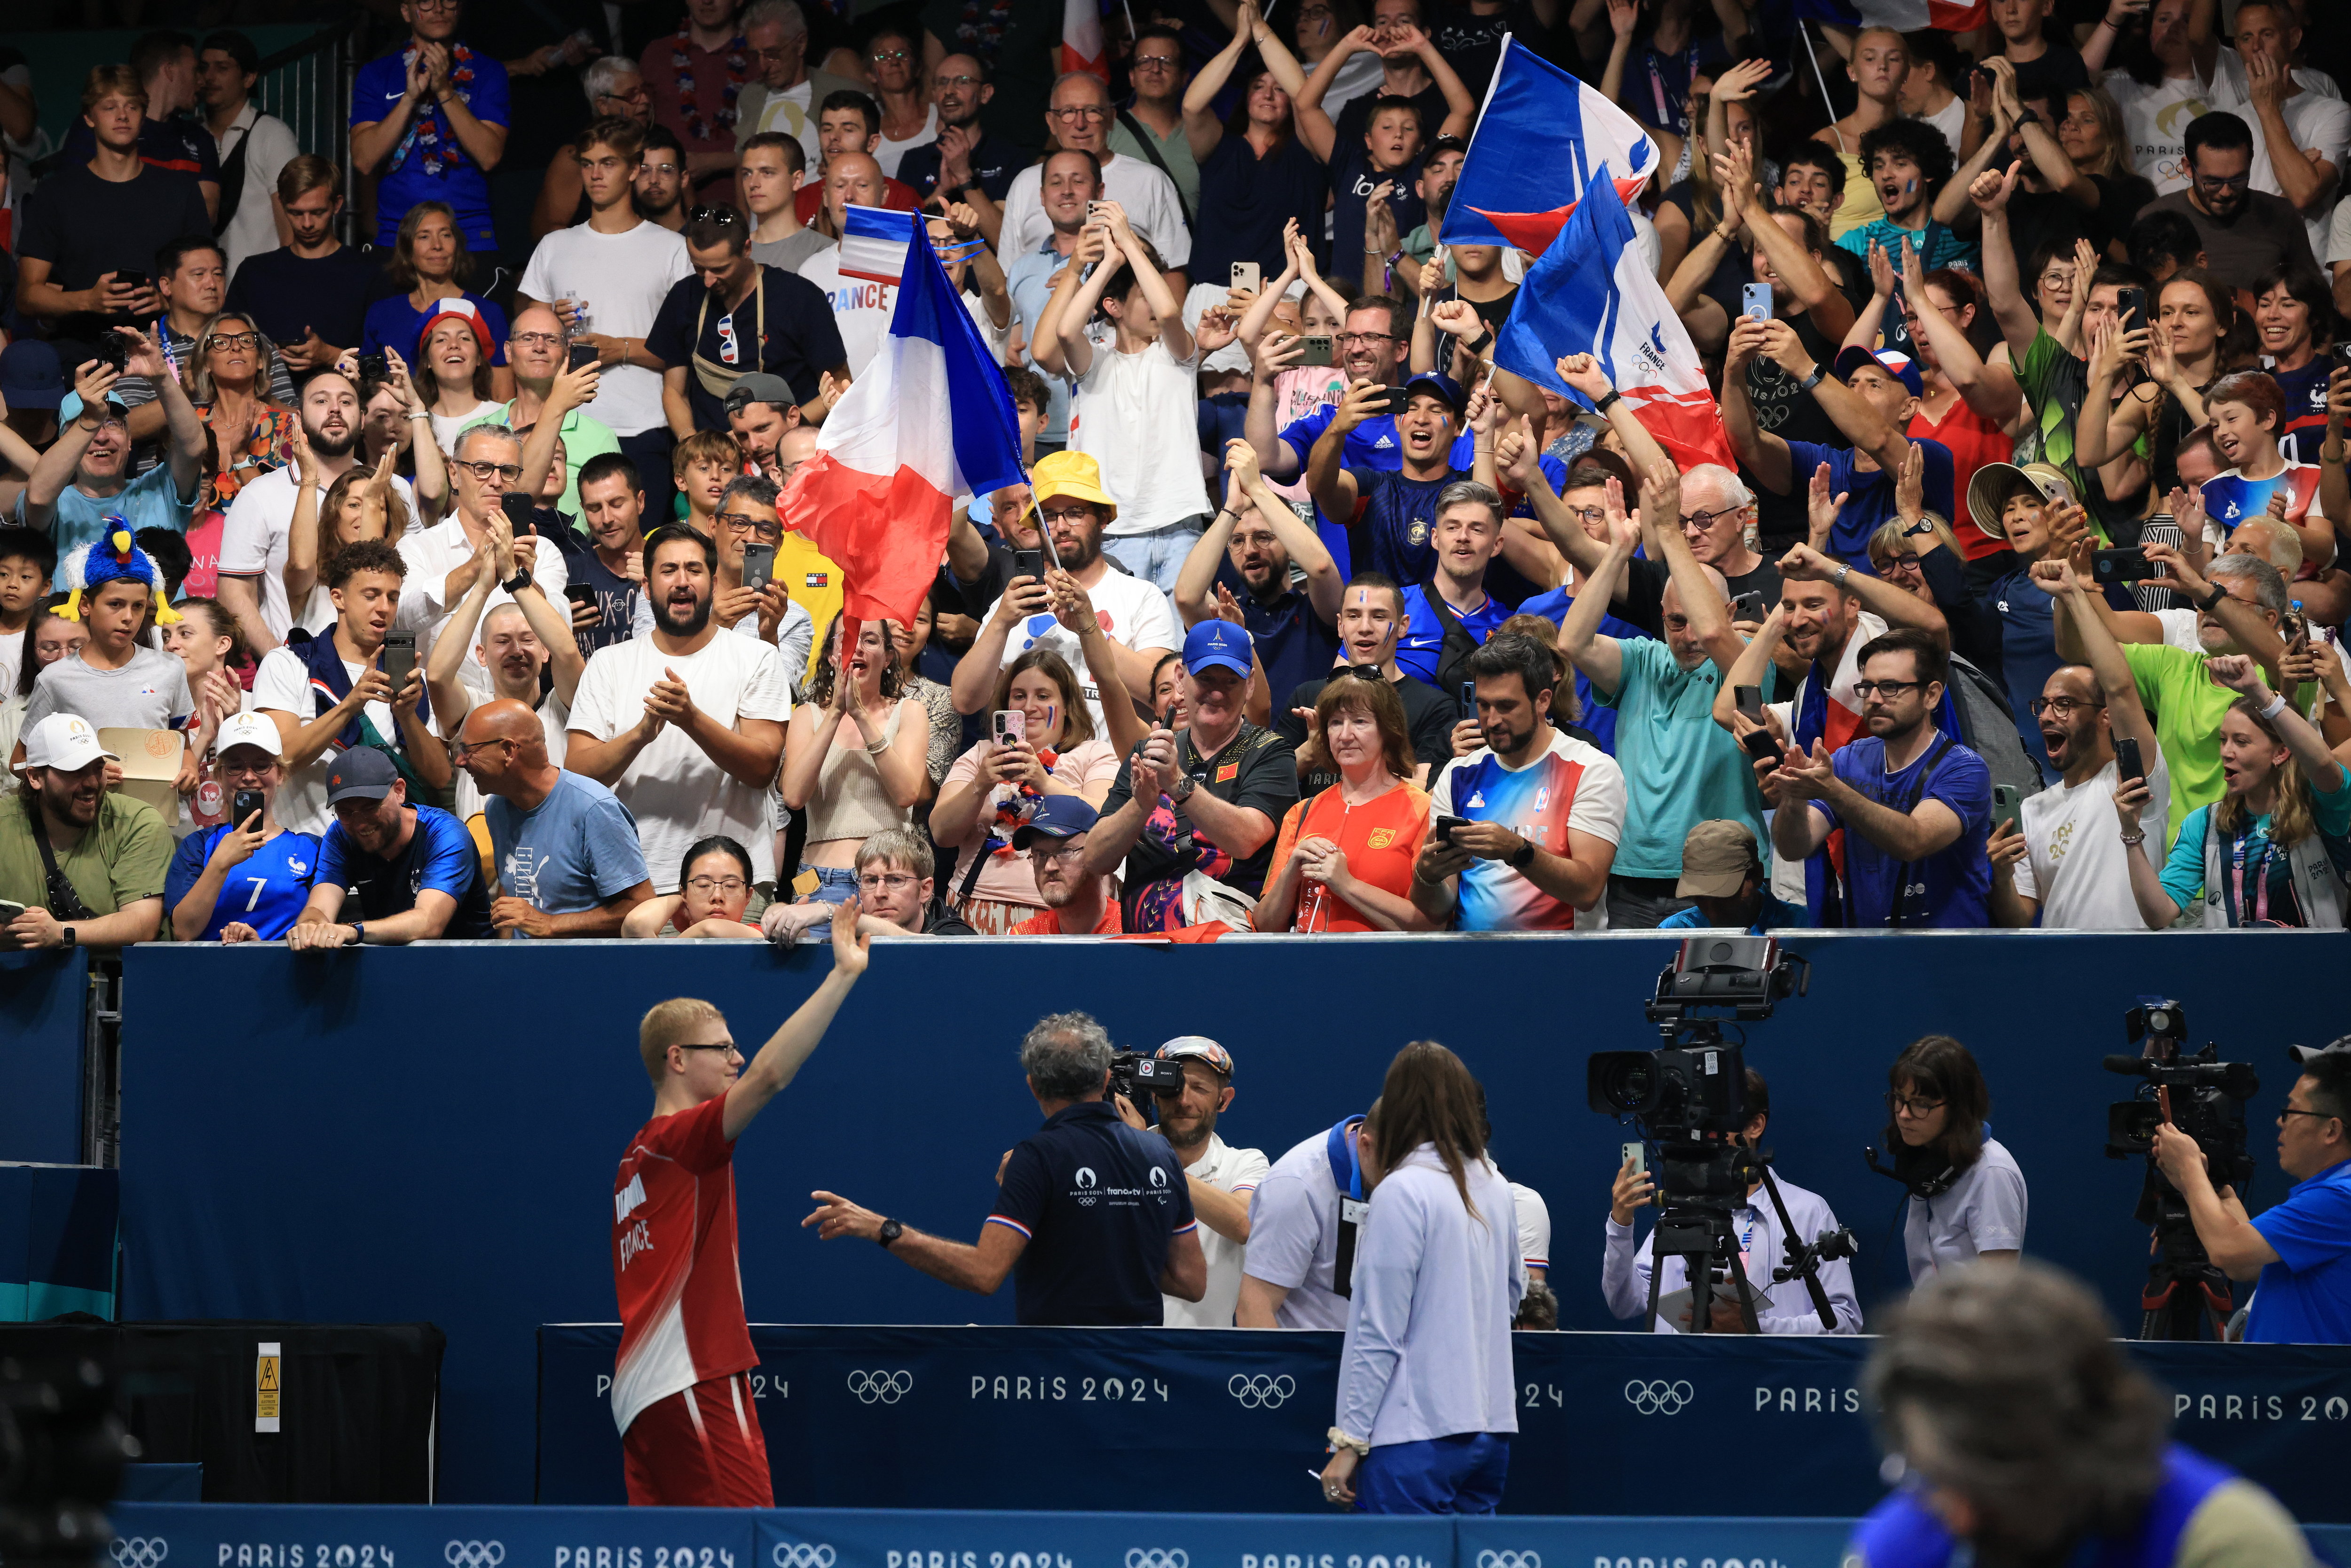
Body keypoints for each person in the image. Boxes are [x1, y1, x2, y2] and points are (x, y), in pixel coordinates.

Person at [612, 900, 870, 1506]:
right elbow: (769, 1079)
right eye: (722, 1047)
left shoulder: (635, 1157)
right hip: (688, 1374)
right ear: (677, 1058)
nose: (737, 1057)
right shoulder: (680, 1142)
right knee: (742, 1540)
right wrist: (843, 974)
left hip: (644, 1387)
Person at [1847, 1263, 2314, 1567]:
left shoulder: (2222, 1543)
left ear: (2088, 1438)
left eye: (1989, 1477)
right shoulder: (1895, 1546)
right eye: (1934, 1473)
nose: (1961, 1516)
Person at [802, 1011, 1207, 1324]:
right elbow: (1192, 1281)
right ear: (1105, 1080)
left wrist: (882, 1228)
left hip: (1057, 1378)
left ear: (1033, 1085)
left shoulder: (1035, 1158)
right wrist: (1108, 1260)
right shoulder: (1160, 1153)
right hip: (1145, 1378)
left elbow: (984, 1273)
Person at [1557, 465, 1765, 929]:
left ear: (1729, 612)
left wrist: (1669, 530)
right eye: (1675, 621)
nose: (1688, 635)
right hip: (1633, 875)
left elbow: (1713, 631)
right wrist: (1617, 553)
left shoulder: (1748, 658)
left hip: (1725, 876)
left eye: (1696, 618)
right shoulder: (1641, 659)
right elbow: (1571, 643)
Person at [1319, 1041, 1519, 1515]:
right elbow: (1511, 1297)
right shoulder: (1496, 1186)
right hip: (1489, 1435)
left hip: (1412, 1438)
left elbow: (1377, 1329)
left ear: (1400, 1104)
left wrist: (1348, 1441)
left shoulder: (1401, 1190)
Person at [567, 526, 792, 897]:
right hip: (632, 882)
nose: (682, 581)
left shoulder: (757, 657)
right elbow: (577, 774)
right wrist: (640, 735)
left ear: (715, 583)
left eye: (694, 570)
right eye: (669, 570)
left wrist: (692, 719)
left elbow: (764, 767)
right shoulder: (609, 663)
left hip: (732, 886)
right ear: (646, 586)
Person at [1036, 200, 1214, 593]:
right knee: (1118, 648)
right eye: (1142, 295)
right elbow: (1065, 333)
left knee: (1177, 651)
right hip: (1114, 529)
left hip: (1179, 524)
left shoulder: (1176, 354)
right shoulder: (1095, 361)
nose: (1154, 301)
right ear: (1113, 307)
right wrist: (1108, 265)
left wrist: (1129, 243)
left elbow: (1169, 312)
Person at [1603, 1067, 1861, 1334]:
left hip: (1766, 1374)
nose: (1705, 1134)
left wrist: (1758, 1328)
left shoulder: (1806, 1211)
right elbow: (1624, 1303)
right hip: (1681, 1374)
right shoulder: (1681, 1210)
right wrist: (1621, 1227)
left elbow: (1845, 1322)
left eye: (1718, 1122)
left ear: (1755, 1126)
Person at [1766, 628, 1995, 927]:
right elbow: (1794, 847)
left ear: (1932, 695)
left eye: (1890, 687)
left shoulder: (1964, 768)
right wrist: (1795, 795)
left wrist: (1833, 790)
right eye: (1867, 687)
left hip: (1946, 954)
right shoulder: (1850, 759)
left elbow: (1915, 841)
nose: (1873, 699)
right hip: (1869, 949)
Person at [1990, 559, 2174, 930]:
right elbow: (2020, 919)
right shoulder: (2033, 808)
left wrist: (2074, 594)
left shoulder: (2133, 782)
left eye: (2064, 704)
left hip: (2136, 973)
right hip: (2062, 977)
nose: (2045, 716)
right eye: (2043, 706)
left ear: (2105, 715)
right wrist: (1999, 879)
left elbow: (2121, 688)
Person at [515, 116, 690, 506]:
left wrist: (622, 348)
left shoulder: (671, 248)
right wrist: (554, 330)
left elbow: (690, 345)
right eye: (587, 163)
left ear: (633, 170)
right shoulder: (555, 246)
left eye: (608, 163)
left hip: (644, 425)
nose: (595, 174)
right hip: (568, 425)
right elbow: (530, 346)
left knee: (637, 555)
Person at [1084, 622, 1300, 928]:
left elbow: (1247, 839)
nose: (1216, 691)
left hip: (1228, 952)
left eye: (1230, 680)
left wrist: (1177, 783)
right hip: (1145, 955)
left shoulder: (1269, 752)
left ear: (1250, 684)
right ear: (1182, 679)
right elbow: (1095, 859)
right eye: (1206, 678)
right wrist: (1141, 805)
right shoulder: (1147, 752)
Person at [951, 453, 1181, 733]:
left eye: (1074, 513)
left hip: (1112, 770)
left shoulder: (1141, 596)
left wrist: (1090, 628)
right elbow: (965, 701)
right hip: (1025, 768)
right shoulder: (1015, 602)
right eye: (1048, 515)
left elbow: (1161, 695)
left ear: (1103, 518)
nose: (1060, 527)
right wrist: (1000, 624)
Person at [1412, 631, 1626, 931]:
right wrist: (1427, 877)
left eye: (1506, 706)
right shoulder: (1458, 773)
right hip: (1472, 963)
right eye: (1483, 705)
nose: (1492, 720)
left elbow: (1587, 891)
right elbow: (1436, 910)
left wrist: (1516, 850)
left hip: (1562, 963)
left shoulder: (1591, 769)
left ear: (1543, 701)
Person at [2122, 653, 2351, 926]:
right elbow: (2158, 914)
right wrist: (2131, 833)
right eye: (2223, 740)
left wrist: (2260, 692)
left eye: (2241, 742)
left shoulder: (2321, 806)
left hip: (2316, 967)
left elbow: (2324, 762)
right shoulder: (2204, 825)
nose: (2226, 753)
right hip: (2233, 968)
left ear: (2281, 752)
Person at [2152, 1040, 2351, 1344]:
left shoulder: (2341, 1197)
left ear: (2332, 1130)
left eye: (2292, 1110)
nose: (2280, 1121)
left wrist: (2190, 1168)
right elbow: (2253, 1262)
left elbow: (2229, 1251)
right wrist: (2210, 1190)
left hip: (2308, 1390)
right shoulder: (2333, 1193)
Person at [219, 370, 427, 654]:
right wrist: (281, 663)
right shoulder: (259, 494)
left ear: (363, 417)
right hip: (296, 666)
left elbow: (414, 574)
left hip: (378, 664)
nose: (335, 410)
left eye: (346, 402)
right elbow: (234, 594)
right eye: (320, 401)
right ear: (298, 419)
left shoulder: (396, 488)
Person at [251, 538, 448, 836]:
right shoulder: (289, 663)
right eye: (371, 595)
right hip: (307, 844)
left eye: (393, 598)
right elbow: (281, 758)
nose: (384, 608)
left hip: (385, 848)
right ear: (338, 598)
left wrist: (407, 717)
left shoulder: (405, 674)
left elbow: (440, 776)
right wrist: (349, 707)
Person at [15, 67, 211, 347]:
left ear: (144, 116)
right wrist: (87, 300)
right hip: (84, 349)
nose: (122, 115)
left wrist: (168, 298)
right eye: (110, 107)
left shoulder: (181, 190)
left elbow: (207, 277)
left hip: (163, 349)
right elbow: (27, 295)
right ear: (89, 117)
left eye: (133, 106)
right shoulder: (56, 194)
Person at [931, 649, 1120, 933]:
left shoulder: (1094, 754)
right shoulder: (981, 754)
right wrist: (980, 785)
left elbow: (1110, 825)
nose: (1028, 706)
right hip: (975, 906)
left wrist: (1044, 783)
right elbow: (942, 833)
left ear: (1068, 706)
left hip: (1065, 914)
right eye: (1019, 695)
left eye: (1043, 696)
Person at [456, 697, 653, 939]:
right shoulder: (497, 807)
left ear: (508, 751)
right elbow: (512, 895)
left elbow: (643, 909)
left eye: (469, 750)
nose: (460, 761)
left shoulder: (594, 809)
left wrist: (551, 924)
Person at [16, 536, 203, 789]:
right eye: (115, 604)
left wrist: (190, 768)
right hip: (85, 820)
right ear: (85, 605)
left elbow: (183, 747)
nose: (128, 617)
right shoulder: (55, 679)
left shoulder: (169, 668)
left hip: (153, 817)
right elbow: (20, 762)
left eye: (138, 606)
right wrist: (82, 772)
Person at [1254, 672, 1434, 932]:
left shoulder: (1422, 810)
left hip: (1385, 968)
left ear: (1388, 730)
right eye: (1336, 723)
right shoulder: (1302, 812)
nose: (1345, 735)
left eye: (1360, 721)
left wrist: (1347, 885)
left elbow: (1430, 925)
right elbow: (1265, 926)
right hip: (1308, 966)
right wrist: (1290, 873)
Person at [649, 205, 848, 438]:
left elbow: (839, 385)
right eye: (699, 268)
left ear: (747, 249)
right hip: (716, 461)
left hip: (788, 450)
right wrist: (693, 444)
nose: (708, 281)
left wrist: (780, 432)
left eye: (719, 269)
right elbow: (674, 390)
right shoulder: (684, 297)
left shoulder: (799, 298)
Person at [778, 615, 929, 901]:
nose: (856, 648)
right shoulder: (806, 716)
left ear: (887, 658)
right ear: (831, 655)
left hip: (888, 883)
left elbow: (908, 793)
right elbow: (794, 797)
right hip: (819, 879)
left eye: (870, 640)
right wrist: (836, 712)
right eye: (845, 640)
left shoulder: (910, 712)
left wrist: (859, 714)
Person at [1123, 1037, 1269, 1329]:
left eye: (1200, 1089)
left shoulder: (1245, 1163)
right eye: (1173, 1087)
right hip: (1124, 1355)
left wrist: (1149, 1155)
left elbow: (1244, 1224)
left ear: (1224, 1099)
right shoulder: (1119, 1154)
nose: (1184, 1101)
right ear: (1154, 1094)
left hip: (1204, 1361)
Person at [284, 747, 496, 946]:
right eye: (346, 813)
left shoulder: (445, 834)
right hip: (393, 963)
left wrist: (353, 931)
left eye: (370, 808)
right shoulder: (341, 834)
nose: (360, 823)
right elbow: (319, 907)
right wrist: (310, 927)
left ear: (400, 791)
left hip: (468, 965)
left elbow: (429, 923)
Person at [1181, 6, 1326, 288]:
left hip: (1289, 292)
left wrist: (1259, 28)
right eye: (1259, 86)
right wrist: (1239, 41)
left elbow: (1304, 95)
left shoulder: (1306, 148)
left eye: (1278, 88)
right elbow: (1191, 106)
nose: (1269, 94)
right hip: (1215, 294)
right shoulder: (1221, 147)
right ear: (1246, 96)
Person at [350, 0, 511, 252]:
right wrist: (409, 100)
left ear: (459, 8)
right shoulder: (377, 74)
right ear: (406, 12)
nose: (438, 9)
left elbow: (489, 156)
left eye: (448, 0)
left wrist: (445, 91)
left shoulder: (488, 71)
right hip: (398, 235)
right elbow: (363, 159)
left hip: (469, 236)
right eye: (425, 2)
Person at [0, 715, 170, 950]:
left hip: (113, 979)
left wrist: (61, 932)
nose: (92, 782)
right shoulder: (5, 823)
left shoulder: (136, 823)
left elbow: (142, 923)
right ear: (35, 777)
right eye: (75, 771)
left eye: (98, 768)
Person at [17, 347, 205, 558]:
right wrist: (90, 420)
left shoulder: (158, 491)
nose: (102, 436)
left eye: (112, 423)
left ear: (129, 440)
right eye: (85, 424)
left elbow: (194, 447)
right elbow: (38, 499)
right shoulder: (56, 503)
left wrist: (162, 376)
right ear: (66, 445)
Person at [998, 73, 1190, 274]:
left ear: (1111, 118)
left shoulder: (1151, 180)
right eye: (1068, 112)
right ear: (1051, 122)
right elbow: (1007, 273)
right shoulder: (1025, 183)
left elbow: (1174, 269)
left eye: (1092, 111)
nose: (1080, 124)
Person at [1880, 1034, 2027, 1281]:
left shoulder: (1992, 1173)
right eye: (1899, 1099)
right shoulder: (1930, 1164)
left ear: (1958, 1107)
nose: (1904, 1114)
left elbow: (1997, 1292)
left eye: (1921, 1104)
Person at [163, 710, 318, 943]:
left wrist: (260, 947)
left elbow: (318, 924)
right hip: (210, 971)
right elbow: (184, 931)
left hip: (282, 972)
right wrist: (219, 864)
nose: (248, 777)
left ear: (281, 774)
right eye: (235, 766)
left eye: (262, 765)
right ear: (219, 777)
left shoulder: (312, 848)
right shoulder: (198, 846)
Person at [223, 158, 379, 374]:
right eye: (296, 213)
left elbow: (386, 367)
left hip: (347, 401)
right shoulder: (255, 273)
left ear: (337, 204)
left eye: (317, 212)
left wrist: (331, 355)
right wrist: (266, 357)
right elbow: (224, 349)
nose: (307, 224)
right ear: (282, 205)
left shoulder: (369, 273)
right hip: (266, 402)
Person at [2143, 113, 2321, 289]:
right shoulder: (2153, 220)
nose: (2226, 192)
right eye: (2213, 182)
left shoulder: (2281, 214)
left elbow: (2312, 293)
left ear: (2251, 162)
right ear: (2188, 168)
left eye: (2238, 180)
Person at [1239, 1108, 1379, 1330]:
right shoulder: (1295, 1187)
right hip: (1315, 1360)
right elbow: (1254, 1310)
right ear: (1365, 1145)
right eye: (1396, 1168)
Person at [895, 55, 1020, 211]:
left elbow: (1001, 235)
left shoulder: (1010, 157)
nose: (949, 91)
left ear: (985, 94)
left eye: (963, 81)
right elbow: (901, 233)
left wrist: (965, 178)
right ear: (934, 94)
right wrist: (941, 191)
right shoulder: (914, 161)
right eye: (942, 83)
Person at [1656, 819, 1805, 931]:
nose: (1713, 912)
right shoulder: (1675, 931)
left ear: (1757, 876)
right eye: (1700, 897)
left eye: (1725, 896)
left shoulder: (1804, 928)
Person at [1003, 797, 1122, 936]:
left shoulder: (1135, 930)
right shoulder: (1024, 938)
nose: (1050, 867)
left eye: (1064, 851)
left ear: (1098, 853)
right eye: (1040, 854)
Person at [624, 835, 769, 940]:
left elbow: (710, 929)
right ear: (685, 893)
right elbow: (636, 926)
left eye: (730, 885)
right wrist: (678, 900)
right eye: (703, 885)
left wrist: (670, 952)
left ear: (748, 896)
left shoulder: (765, 935)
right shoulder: (674, 942)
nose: (717, 896)